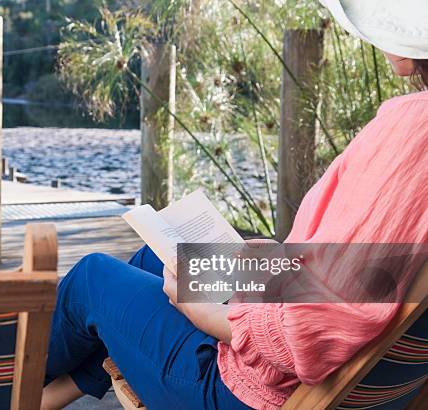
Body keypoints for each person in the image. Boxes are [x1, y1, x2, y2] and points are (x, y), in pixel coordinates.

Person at [41, 1, 428, 409]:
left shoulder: (412, 132)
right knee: (157, 259)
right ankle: (48, 395)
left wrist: (202, 313)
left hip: (249, 395)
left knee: (93, 279)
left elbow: (308, 330)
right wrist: (256, 263)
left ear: (407, 50)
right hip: (369, 391)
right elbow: (369, 271)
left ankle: (0, 390)